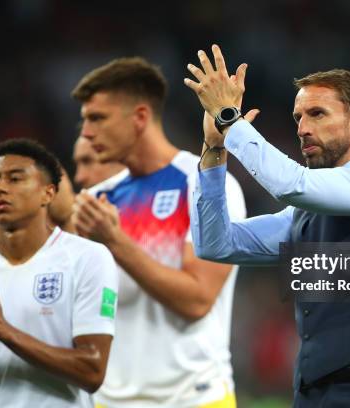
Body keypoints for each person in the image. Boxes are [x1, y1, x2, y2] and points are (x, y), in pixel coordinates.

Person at [184, 45, 350, 407]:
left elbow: (291, 185)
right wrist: (214, 150)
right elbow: (216, 245)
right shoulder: (303, 218)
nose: (304, 128)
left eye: (317, 114)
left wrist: (231, 120)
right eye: (298, 118)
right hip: (311, 394)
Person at [71, 57, 246, 407]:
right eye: (85, 120)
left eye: (97, 118)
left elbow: (197, 300)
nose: (86, 133)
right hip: (109, 401)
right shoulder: (96, 200)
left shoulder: (206, 184)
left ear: (139, 118)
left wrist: (115, 241)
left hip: (193, 399)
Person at [0, 139, 119, 407]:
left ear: (48, 193)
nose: (0, 188)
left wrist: (4, 331)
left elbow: (92, 372)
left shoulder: (88, 258)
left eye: (15, 179)